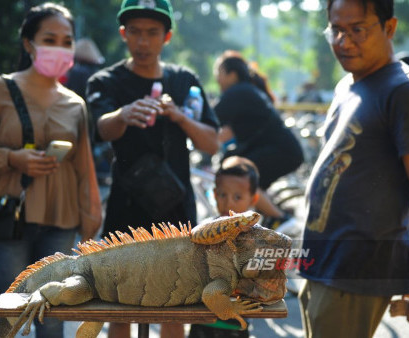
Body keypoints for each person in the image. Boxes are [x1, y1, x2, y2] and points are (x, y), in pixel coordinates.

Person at [0, 3, 101, 337]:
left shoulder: (74, 103)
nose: (60, 48)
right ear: (28, 43)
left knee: (52, 318)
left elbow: (85, 168)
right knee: (5, 315)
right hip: (9, 216)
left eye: (67, 41)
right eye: (50, 38)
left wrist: (92, 217)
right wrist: (12, 158)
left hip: (60, 222)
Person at [298, 0, 409, 337]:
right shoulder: (347, 86)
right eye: (336, 30)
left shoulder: (406, 92)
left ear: (389, 28)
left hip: (356, 273)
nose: (344, 42)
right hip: (320, 265)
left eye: (357, 29)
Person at [86, 1, 219, 337]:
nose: (143, 41)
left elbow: (211, 143)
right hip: (125, 210)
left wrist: (180, 116)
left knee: (175, 308)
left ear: (167, 36)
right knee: (120, 309)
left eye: (152, 33)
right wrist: (124, 114)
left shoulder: (184, 80)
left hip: (176, 209)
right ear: (123, 34)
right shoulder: (108, 80)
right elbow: (100, 128)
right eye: (135, 32)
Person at [213, 50, 304, 227]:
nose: (217, 79)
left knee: (242, 178)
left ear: (231, 74)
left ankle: (281, 219)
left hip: (280, 151)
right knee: (242, 173)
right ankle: (272, 218)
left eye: (219, 74)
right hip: (286, 150)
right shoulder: (248, 90)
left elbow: (209, 120)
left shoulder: (237, 92)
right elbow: (226, 132)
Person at [189, 155, 259, 338]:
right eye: (222, 195)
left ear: (253, 198)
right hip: (202, 319)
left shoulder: (255, 238)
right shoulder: (205, 231)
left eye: (238, 197)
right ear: (213, 194)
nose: (229, 203)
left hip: (236, 323)